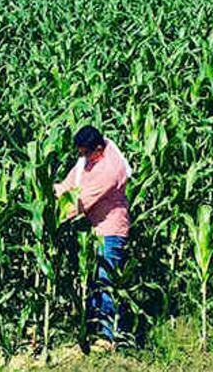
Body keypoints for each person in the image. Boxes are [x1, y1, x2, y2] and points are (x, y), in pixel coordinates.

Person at [54, 125, 131, 349]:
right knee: (94, 281)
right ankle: (94, 329)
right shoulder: (91, 154)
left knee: (105, 281)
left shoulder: (109, 169)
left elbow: (79, 203)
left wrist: (49, 217)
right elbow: (71, 184)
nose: (82, 157)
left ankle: (108, 337)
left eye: (85, 153)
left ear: (97, 148)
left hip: (110, 230)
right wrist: (51, 190)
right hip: (92, 230)